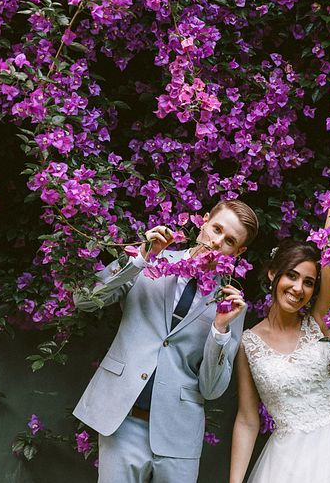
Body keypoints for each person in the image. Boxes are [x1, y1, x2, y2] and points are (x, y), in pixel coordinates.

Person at [73, 199, 258, 483]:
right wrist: (140, 258)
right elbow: (83, 299)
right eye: (216, 229)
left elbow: (212, 389)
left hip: (179, 434)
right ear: (203, 221)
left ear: (239, 251)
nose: (217, 242)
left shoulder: (229, 304)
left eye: (230, 240)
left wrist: (220, 330)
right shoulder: (153, 261)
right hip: (122, 421)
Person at [229, 201, 330, 482]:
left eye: (308, 282)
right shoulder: (248, 343)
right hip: (287, 464)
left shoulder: (319, 324)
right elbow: (247, 419)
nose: (297, 288)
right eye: (291, 276)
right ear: (272, 274)